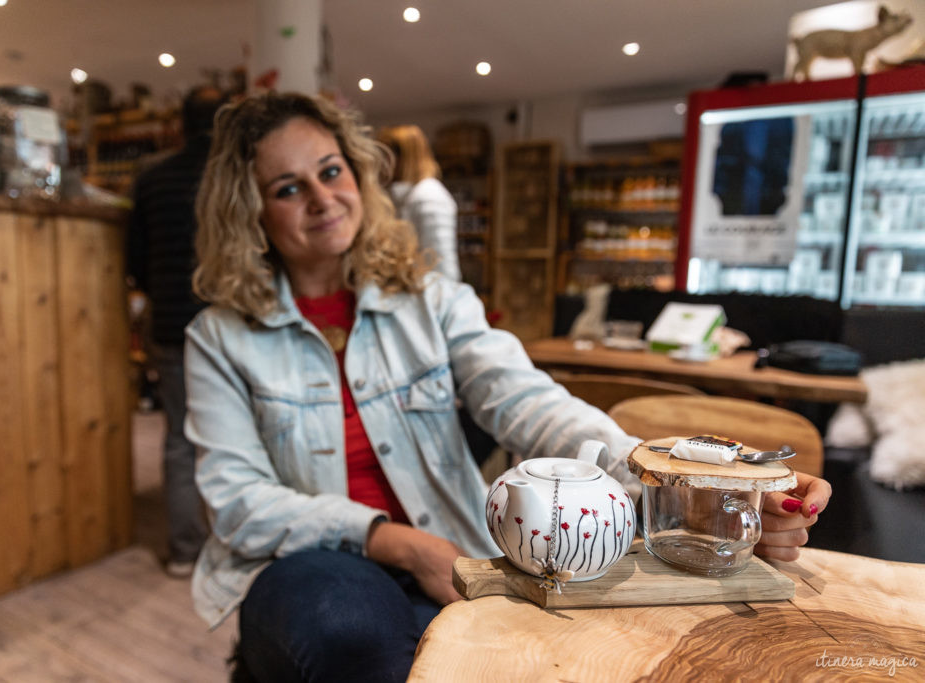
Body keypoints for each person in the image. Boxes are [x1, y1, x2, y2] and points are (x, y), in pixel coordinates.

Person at [184, 92, 832, 682]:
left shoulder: (430, 298)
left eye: (331, 171)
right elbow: (237, 501)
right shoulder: (218, 336)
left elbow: (527, 399)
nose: (323, 198)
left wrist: (685, 486)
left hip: (449, 553)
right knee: (351, 631)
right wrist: (399, 543)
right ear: (251, 212)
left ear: (357, 174)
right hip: (307, 567)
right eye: (288, 188)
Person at [126, 84, 226, 577]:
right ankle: (236, 546)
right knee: (234, 438)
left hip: (171, 324)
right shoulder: (234, 174)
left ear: (179, 124)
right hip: (230, 324)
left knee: (180, 441)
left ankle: (186, 551)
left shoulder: (151, 178)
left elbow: (135, 262)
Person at [377, 124, 461, 281]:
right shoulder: (402, 197)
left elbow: (441, 263)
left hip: (427, 294)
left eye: (387, 156)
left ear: (403, 158)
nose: (382, 164)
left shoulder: (429, 197)